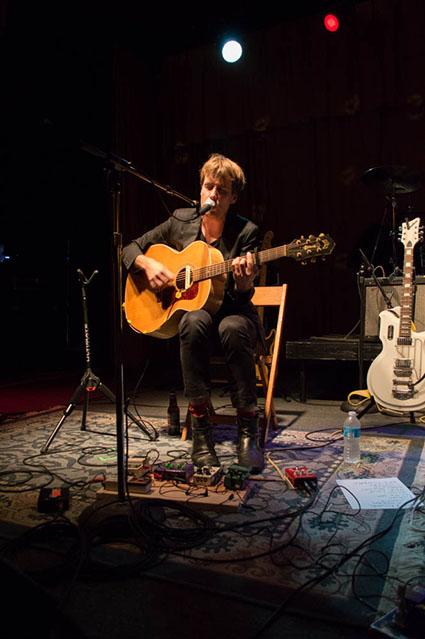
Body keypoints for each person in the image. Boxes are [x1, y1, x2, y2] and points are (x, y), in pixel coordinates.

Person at [122, 153, 264, 473]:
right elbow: (129, 248)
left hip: (234, 314)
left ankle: (248, 434)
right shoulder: (180, 221)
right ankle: (201, 433)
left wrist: (244, 282)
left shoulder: (246, 232)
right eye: (209, 186)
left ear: (233, 197)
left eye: (222, 190)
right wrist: (147, 263)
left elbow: (244, 295)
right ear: (200, 189)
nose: (213, 194)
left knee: (231, 327)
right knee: (193, 319)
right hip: (198, 320)